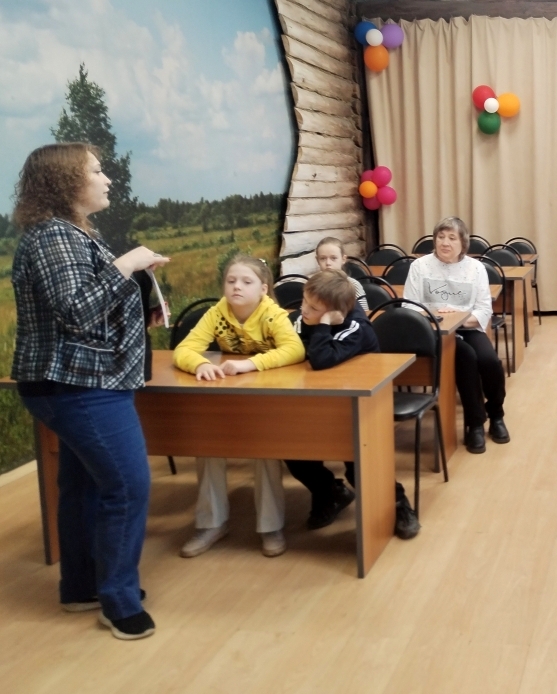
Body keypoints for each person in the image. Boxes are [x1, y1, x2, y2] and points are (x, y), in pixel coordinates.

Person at [11, 142, 169, 640]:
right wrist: (127, 265)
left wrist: (137, 301)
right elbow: (77, 311)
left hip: (82, 381)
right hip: (78, 385)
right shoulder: (54, 237)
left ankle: (80, 586)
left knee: (82, 486)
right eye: (96, 171)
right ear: (65, 183)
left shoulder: (72, 233)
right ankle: (118, 602)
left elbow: (87, 307)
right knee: (128, 486)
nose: (107, 179)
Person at [172, 255, 305, 558]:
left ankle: (270, 526)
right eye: (231, 281)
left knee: (264, 450)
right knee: (207, 445)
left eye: (246, 281)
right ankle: (211, 524)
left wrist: (251, 364)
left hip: (268, 399)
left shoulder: (272, 314)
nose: (237, 287)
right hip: (227, 397)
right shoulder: (217, 312)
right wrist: (200, 365)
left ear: (263, 288)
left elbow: (295, 349)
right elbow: (184, 350)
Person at [284, 270, 420, 539]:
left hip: (361, 405)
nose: (303, 310)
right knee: (293, 450)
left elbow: (321, 359)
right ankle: (330, 493)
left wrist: (323, 325)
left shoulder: (356, 326)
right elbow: (294, 348)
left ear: (336, 312)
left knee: (359, 467)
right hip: (318, 399)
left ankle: (398, 504)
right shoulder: (305, 317)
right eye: (304, 301)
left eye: (313, 307)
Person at [404, 217, 508, 454]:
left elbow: (484, 309)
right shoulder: (419, 266)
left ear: (463, 243)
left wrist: (458, 319)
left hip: (468, 327)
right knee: (466, 358)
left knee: (490, 361)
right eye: (441, 237)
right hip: (434, 332)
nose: (445, 242)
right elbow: (409, 306)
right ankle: (475, 424)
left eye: (452, 238)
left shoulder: (476, 268)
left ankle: (496, 414)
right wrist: (436, 318)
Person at [314, 237, 369, 312]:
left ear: (343, 259)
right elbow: (305, 313)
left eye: (333, 258)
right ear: (317, 260)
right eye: (323, 258)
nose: (328, 263)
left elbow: (364, 314)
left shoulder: (353, 286)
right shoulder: (313, 286)